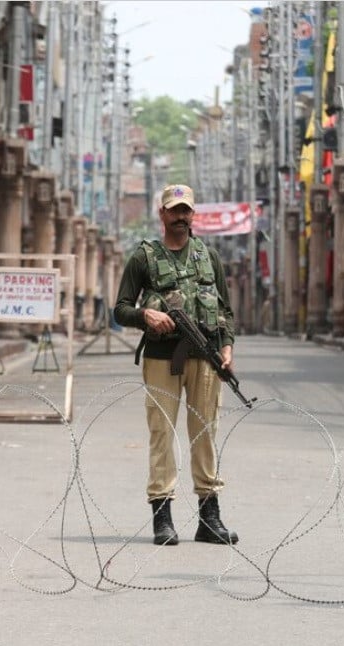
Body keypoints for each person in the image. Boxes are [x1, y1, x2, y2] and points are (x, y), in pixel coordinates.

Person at [113, 184, 239, 546]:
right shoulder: (144, 258)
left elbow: (225, 310)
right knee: (162, 434)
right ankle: (162, 517)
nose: (181, 217)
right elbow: (120, 309)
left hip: (206, 358)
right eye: (174, 210)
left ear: (193, 214)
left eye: (186, 211)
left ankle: (209, 519)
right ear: (162, 214)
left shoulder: (208, 256)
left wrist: (227, 348)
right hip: (161, 357)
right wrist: (145, 315)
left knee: (205, 434)